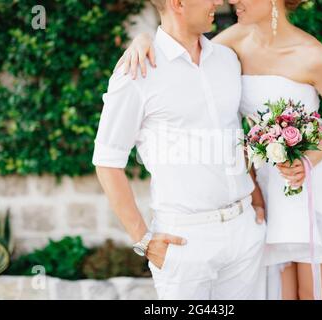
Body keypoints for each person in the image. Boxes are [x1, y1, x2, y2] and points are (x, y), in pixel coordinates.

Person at [117, 0, 322, 299]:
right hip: (264, 189)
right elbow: (182, 47)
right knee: (279, 292)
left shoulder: (313, 56)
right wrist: (143, 39)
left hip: (312, 184)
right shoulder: (230, 43)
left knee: (314, 293)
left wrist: (308, 160)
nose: (231, 0)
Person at [92, 0, 267, 300]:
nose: (218, 2)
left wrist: (256, 202)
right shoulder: (137, 70)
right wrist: (143, 240)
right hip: (185, 242)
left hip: (244, 233)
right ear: (178, 3)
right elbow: (107, 161)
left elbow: (236, 134)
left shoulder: (227, 59)